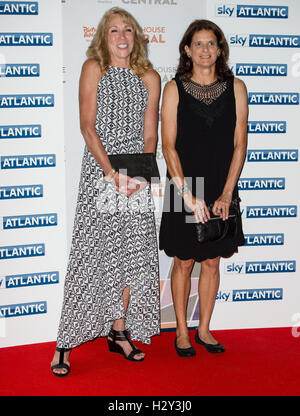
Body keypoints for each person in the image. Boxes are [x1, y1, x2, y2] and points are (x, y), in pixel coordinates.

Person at [51, 7, 161, 376]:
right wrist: (113, 174)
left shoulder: (150, 76)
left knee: (131, 254)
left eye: (127, 30)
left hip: (136, 177)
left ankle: (118, 332)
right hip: (102, 172)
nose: (121, 37)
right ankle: (64, 343)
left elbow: (150, 133)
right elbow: (87, 126)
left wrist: (141, 175)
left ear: (136, 36)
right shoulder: (93, 68)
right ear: (104, 36)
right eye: (114, 30)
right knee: (90, 253)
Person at [159, 19, 248, 356]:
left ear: (219, 49)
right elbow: (168, 147)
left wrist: (227, 193)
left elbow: (240, 144)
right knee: (183, 260)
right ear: (187, 50)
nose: (205, 50)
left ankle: (204, 329)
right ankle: (181, 331)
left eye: (212, 43)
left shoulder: (236, 87)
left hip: (220, 183)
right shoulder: (173, 88)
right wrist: (186, 195)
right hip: (185, 182)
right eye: (198, 43)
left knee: (212, 262)